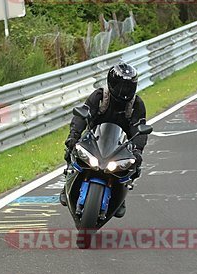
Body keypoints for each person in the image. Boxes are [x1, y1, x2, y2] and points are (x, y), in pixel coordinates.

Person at [59, 62, 147, 217]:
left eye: (127, 87)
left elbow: (139, 128)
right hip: (94, 136)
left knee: (135, 166)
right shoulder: (100, 96)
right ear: (111, 83)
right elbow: (82, 114)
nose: (123, 91)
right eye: (119, 85)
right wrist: (74, 135)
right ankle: (68, 178)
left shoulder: (136, 104)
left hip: (121, 143)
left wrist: (138, 150)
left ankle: (121, 196)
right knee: (71, 150)